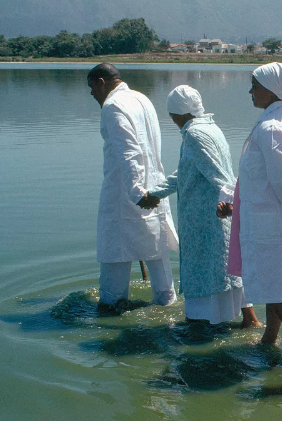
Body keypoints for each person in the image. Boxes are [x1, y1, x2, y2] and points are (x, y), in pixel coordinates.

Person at [219, 62, 282, 360]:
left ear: (273, 90)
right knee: (273, 280)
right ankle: (270, 336)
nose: (250, 91)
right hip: (270, 216)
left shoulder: (272, 127)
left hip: (272, 220)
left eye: (255, 85)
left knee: (276, 284)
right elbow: (257, 173)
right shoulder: (280, 119)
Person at [140, 85, 260, 327]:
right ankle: (248, 320)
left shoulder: (195, 135)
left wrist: (232, 203)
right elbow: (186, 172)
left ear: (177, 112)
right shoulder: (209, 127)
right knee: (224, 268)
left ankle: (200, 324)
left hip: (205, 216)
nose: (171, 119)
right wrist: (155, 193)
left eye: (171, 114)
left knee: (206, 272)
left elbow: (220, 175)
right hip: (215, 213)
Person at [86, 62, 178, 312]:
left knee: (115, 250)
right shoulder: (141, 98)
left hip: (126, 190)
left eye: (92, 88)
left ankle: (111, 305)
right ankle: (167, 304)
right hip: (154, 186)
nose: (92, 95)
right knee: (155, 248)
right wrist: (146, 191)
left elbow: (130, 151)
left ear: (101, 82)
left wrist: (137, 192)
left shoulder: (113, 106)